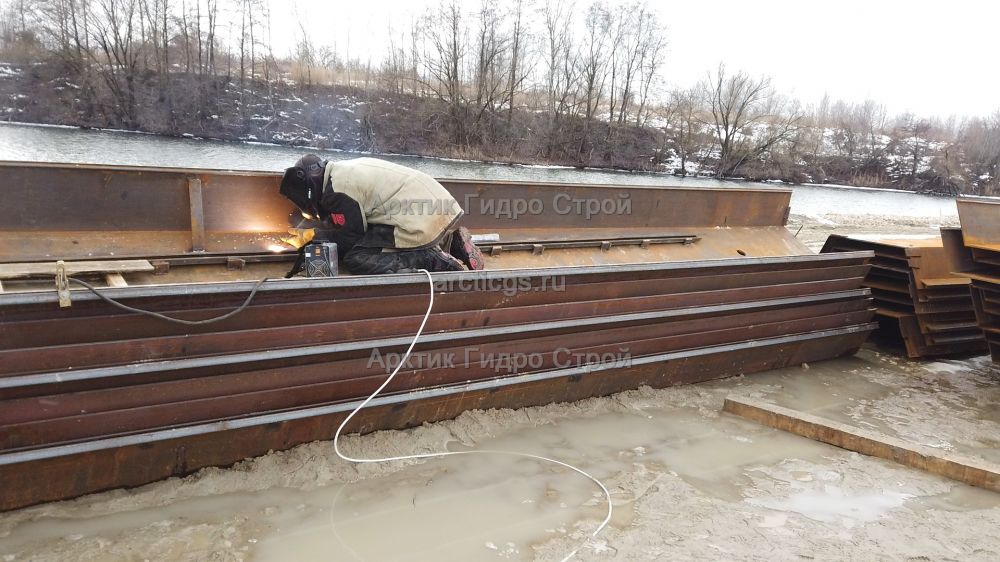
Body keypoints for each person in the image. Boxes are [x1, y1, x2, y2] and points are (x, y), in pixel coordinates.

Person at [279, 155, 485, 275]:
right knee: (375, 234)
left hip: (416, 219)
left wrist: (314, 235)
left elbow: (352, 237)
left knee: (356, 258)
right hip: (438, 208)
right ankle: (452, 241)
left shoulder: (337, 191)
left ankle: (430, 260)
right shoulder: (341, 171)